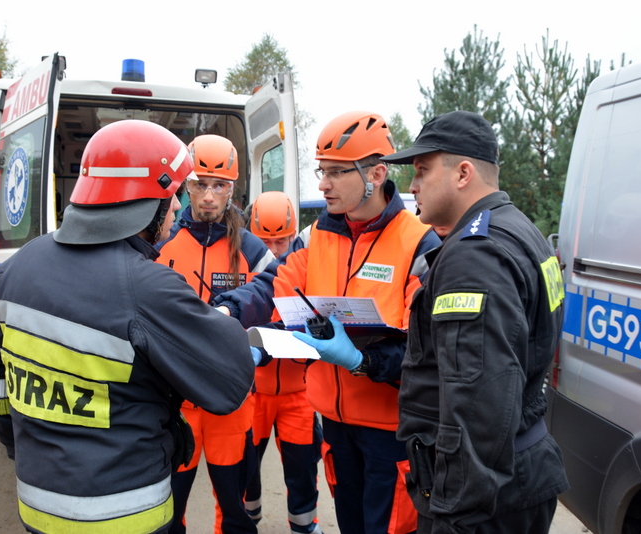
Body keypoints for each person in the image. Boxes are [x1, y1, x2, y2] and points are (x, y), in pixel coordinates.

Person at [0, 119, 257, 534]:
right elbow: (230, 384)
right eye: (173, 194)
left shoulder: (16, 268)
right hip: (131, 513)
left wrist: (28, 444)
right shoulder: (149, 286)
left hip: (38, 507)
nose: (179, 207)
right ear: (146, 201)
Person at [214, 111, 442, 534]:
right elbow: (272, 286)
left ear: (376, 173)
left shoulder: (419, 244)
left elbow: (428, 349)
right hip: (335, 425)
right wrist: (229, 312)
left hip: (391, 434)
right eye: (323, 171)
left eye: (337, 172)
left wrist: (362, 361)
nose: (323, 184)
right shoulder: (316, 235)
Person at [380, 110, 569, 534]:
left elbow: (478, 403)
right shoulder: (519, 229)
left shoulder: (474, 256)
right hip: (518, 470)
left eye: (423, 171)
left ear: (463, 173)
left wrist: (456, 515)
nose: (412, 185)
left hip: (483, 498)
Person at [156, 134, 274, 534]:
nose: (208, 196)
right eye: (199, 184)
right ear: (185, 186)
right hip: (176, 402)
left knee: (235, 512)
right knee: (168, 511)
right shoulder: (161, 242)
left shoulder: (254, 251)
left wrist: (257, 351)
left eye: (219, 185)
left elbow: (278, 309)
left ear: (232, 189)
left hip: (232, 401)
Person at [244, 191, 323, 534]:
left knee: (303, 467)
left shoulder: (307, 265)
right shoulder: (242, 265)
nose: (275, 250)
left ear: (294, 236)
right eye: (265, 241)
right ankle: (248, 518)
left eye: (282, 240)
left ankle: (305, 525)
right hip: (254, 392)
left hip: (298, 392)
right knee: (245, 467)